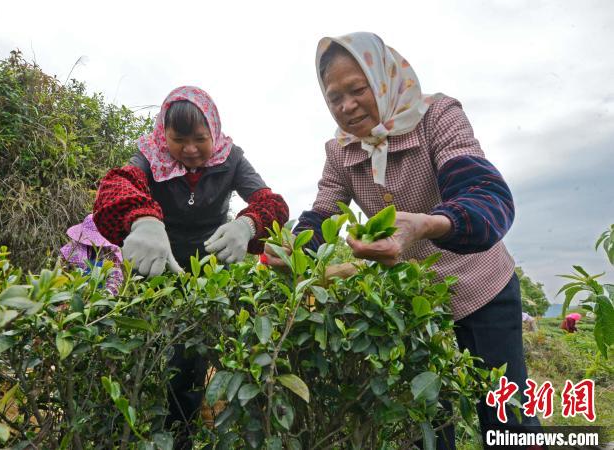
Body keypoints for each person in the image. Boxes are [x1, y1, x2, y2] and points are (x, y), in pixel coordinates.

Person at [264, 32, 541, 449]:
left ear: (384, 80)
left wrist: (428, 225)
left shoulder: (437, 116)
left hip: (482, 288)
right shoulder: (340, 151)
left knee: (508, 421)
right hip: (415, 304)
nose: (346, 106)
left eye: (358, 90)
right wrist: (294, 250)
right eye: (334, 97)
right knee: (426, 423)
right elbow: (323, 214)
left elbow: (485, 196)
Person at [93, 85, 289, 447]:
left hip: (209, 273)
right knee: (145, 353)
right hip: (155, 266)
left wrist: (246, 226)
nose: (191, 149)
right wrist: (144, 221)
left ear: (213, 132)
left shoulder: (232, 159)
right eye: (179, 139)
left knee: (194, 361)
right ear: (163, 135)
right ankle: (129, 431)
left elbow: (271, 202)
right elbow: (116, 186)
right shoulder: (150, 157)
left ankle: (182, 437)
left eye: (200, 139)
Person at [59, 213, 123, 295]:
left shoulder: (111, 251)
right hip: (73, 294)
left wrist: (104, 295)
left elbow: (116, 278)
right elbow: (62, 275)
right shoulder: (71, 249)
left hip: (101, 297)